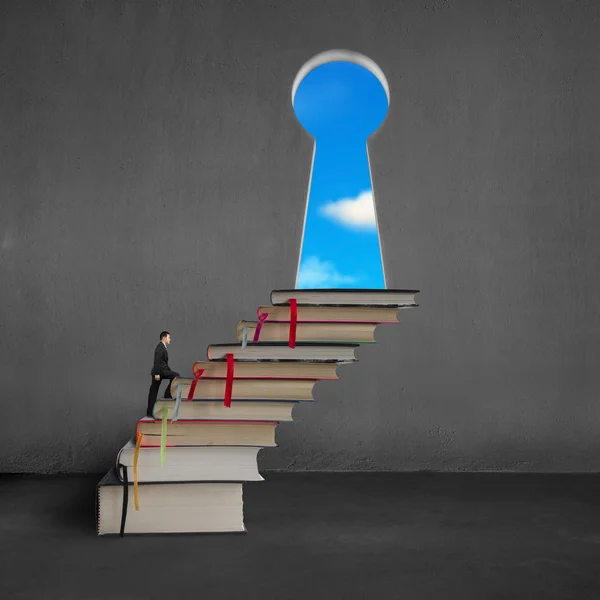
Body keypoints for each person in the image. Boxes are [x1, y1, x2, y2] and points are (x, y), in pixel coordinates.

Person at [146, 331, 180, 418]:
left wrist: (169, 370)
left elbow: (164, 363)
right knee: (153, 392)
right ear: (164, 338)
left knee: (153, 392)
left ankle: (151, 411)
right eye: (169, 338)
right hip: (159, 372)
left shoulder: (163, 347)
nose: (170, 339)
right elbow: (157, 361)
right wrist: (157, 374)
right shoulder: (160, 347)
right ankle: (166, 394)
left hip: (162, 371)